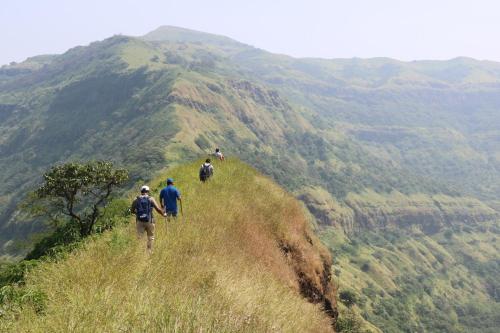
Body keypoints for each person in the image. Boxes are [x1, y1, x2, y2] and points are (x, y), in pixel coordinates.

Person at [131, 185, 166, 253]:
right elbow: (158, 209)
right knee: (151, 237)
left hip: (139, 222)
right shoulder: (151, 199)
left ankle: (140, 253)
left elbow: (132, 210)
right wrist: (163, 214)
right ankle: (149, 251)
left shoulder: (136, 199)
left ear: (141, 191)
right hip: (150, 221)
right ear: (148, 191)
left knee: (140, 238)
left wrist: (138, 214)